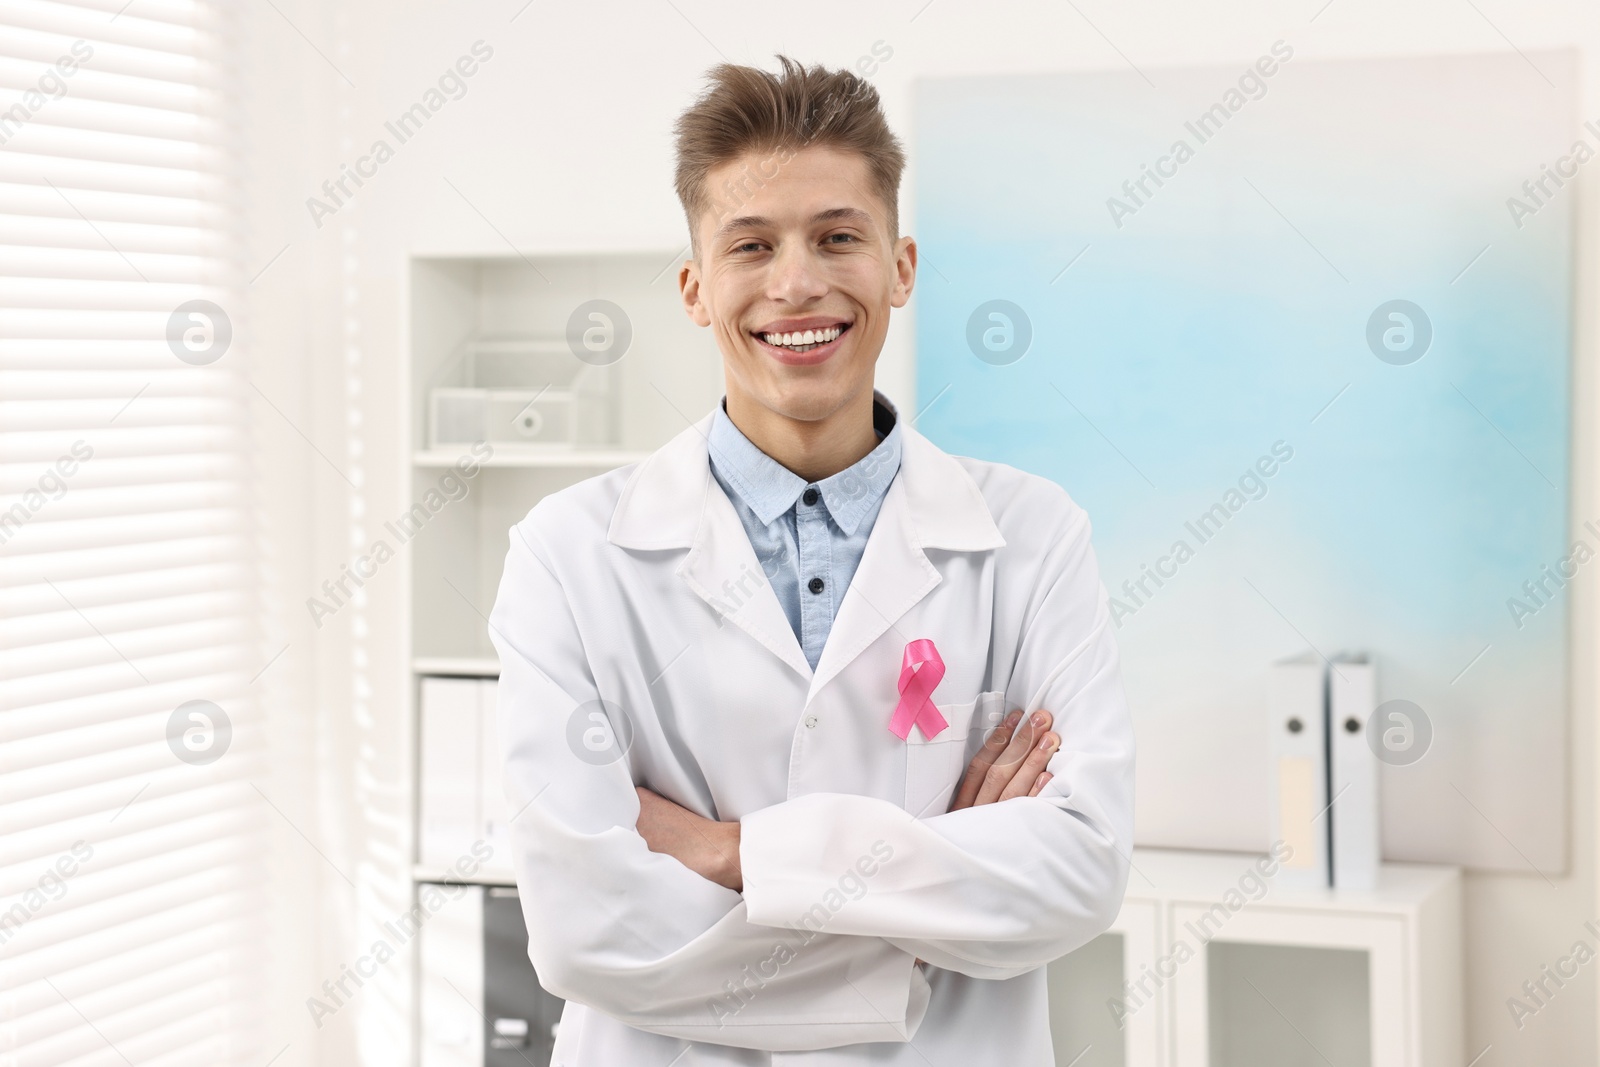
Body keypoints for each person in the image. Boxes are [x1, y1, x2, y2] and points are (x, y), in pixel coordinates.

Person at [488, 54, 1135, 1066]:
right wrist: (931, 930)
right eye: (751, 244)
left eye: (838, 236)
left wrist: (728, 851)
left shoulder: (1034, 534)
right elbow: (584, 925)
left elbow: (1078, 872)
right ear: (697, 287)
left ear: (901, 266)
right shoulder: (566, 554)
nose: (797, 281)